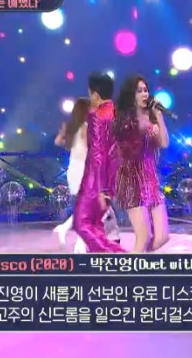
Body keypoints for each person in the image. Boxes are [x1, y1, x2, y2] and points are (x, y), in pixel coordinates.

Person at [53, 98, 120, 253]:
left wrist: (64, 134)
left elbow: (58, 142)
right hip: (84, 170)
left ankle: (70, 232)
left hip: (73, 170)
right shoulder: (85, 127)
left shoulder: (72, 128)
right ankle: (80, 241)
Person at [113, 75, 170, 252]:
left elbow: (164, 143)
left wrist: (158, 116)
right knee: (143, 236)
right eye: (140, 91)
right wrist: (146, 126)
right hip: (131, 179)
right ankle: (134, 267)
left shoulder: (151, 117)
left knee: (162, 237)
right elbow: (127, 145)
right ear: (131, 95)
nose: (145, 94)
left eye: (146, 90)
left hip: (150, 179)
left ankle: (139, 261)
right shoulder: (124, 120)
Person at [71, 74, 126, 253]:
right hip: (110, 178)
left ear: (95, 94)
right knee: (95, 224)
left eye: (90, 94)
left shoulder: (97, 117)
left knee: (82, 223)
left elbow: (98, 154)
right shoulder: (117, 114)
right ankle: (101, 263)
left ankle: (120, 257)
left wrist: (102, 188)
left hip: (95, 181)